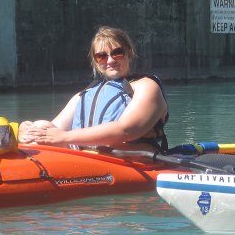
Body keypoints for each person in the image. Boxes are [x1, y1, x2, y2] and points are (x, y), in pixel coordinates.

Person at [18, 26, 169, 152]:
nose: (110, 60)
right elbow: (55, 128)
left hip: (129, 161)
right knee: (39, 124)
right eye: (102, 56)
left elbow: (126, 130)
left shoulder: (146, 86)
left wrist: (64, 137)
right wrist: (26, 130)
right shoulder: (86, 93)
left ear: (129, 53)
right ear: (96, 62)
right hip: (86, 157)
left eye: (117, 53)